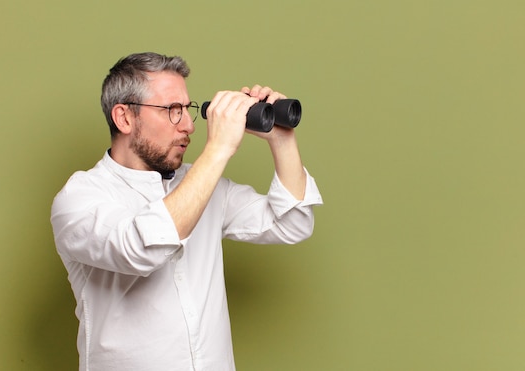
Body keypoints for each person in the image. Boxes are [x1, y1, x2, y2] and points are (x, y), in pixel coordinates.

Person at [50, 52, 323, 371]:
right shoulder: (80, 198)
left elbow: (293, 223)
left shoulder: (203, 183)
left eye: (188, 109)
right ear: (124, 118)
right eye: (172, 111)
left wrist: (281, 139)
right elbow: (143, 249)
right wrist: (219, 149)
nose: (190, 126)